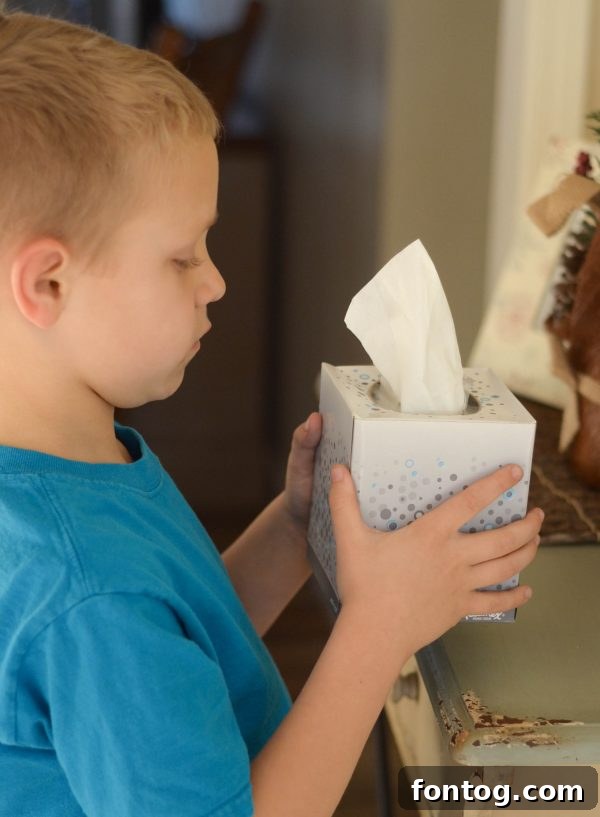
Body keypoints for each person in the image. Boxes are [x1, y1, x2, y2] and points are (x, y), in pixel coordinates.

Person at [0, 9, 543, 817]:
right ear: (47, 284)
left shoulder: (66, 474)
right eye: (183, 255)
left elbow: (180, 650)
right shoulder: (89, 588)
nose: (214, 281)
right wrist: (380, 628)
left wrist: (293, 527)